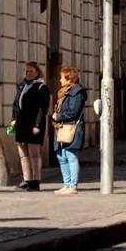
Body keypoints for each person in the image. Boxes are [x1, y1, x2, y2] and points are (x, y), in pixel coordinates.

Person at [12, 61, 50, 190]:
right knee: (23, 154)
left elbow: (42, 108)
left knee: (34, 154)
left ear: (37, 72)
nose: (28, 74)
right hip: (21, 123)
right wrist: (13, 119)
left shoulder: (41, 87)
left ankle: (36, 180)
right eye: (26, 71)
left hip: (33, 124)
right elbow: (16, 104)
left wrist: (38, 125)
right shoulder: (21, 86)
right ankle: (26, 179)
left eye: (31, 71)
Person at [52, 66, 87, 194]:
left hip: (72, 127)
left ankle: (73, 185)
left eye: (62, 77)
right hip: (62, 127)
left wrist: (58, 116)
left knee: (71, 155)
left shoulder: (77, 92)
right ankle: (66, 184)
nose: (60, 80)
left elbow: (73, 111)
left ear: (69, 79)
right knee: (61, 155)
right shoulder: (65, 92)